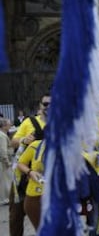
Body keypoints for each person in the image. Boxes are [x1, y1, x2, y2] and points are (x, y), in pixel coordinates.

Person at [9, 93, 50, 236]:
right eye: (45, 104)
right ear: (40, 106)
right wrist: (24, 140)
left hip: (49, 179)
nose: (49, 107)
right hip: (23, 176)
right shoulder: (29, 122)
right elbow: (13, 142)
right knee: (16, 214)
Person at [0, 117, 12, 205]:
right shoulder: (2, 136)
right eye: (9, 124)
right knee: (5, 181)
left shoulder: (2, 134)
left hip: (3, 161)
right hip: (3, 162)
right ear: (4, 126)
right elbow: (3, 150)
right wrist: (7, 162)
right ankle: (5, 199)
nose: (10, 125)